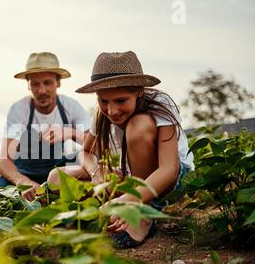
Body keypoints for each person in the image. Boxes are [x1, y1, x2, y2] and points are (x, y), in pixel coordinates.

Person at [47, 51, 194, 248]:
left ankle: (140, 213)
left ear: (139, 91)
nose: (112, 111)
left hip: (169, 182)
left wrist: (127, 198)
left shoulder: (160, 104)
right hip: (132, 180)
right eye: (103, 101)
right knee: (56, 177)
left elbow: (169, 169)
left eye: (121, 101)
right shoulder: (102, 115)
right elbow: (86, 152)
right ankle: (109, 210)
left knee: (138, 125)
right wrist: (96, 172)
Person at [0, 52, 91, 200]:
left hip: (57, 167)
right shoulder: (19, 110)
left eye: (47, 82)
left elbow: (95, 145)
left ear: (58, 82)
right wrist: (23, 182)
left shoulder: (71, 107)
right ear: (28, 85)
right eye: (35, 84)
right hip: (24, 171)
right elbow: (2, 161)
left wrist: (69, 132)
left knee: (81, 158)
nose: (41, 91)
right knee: (0, 188)